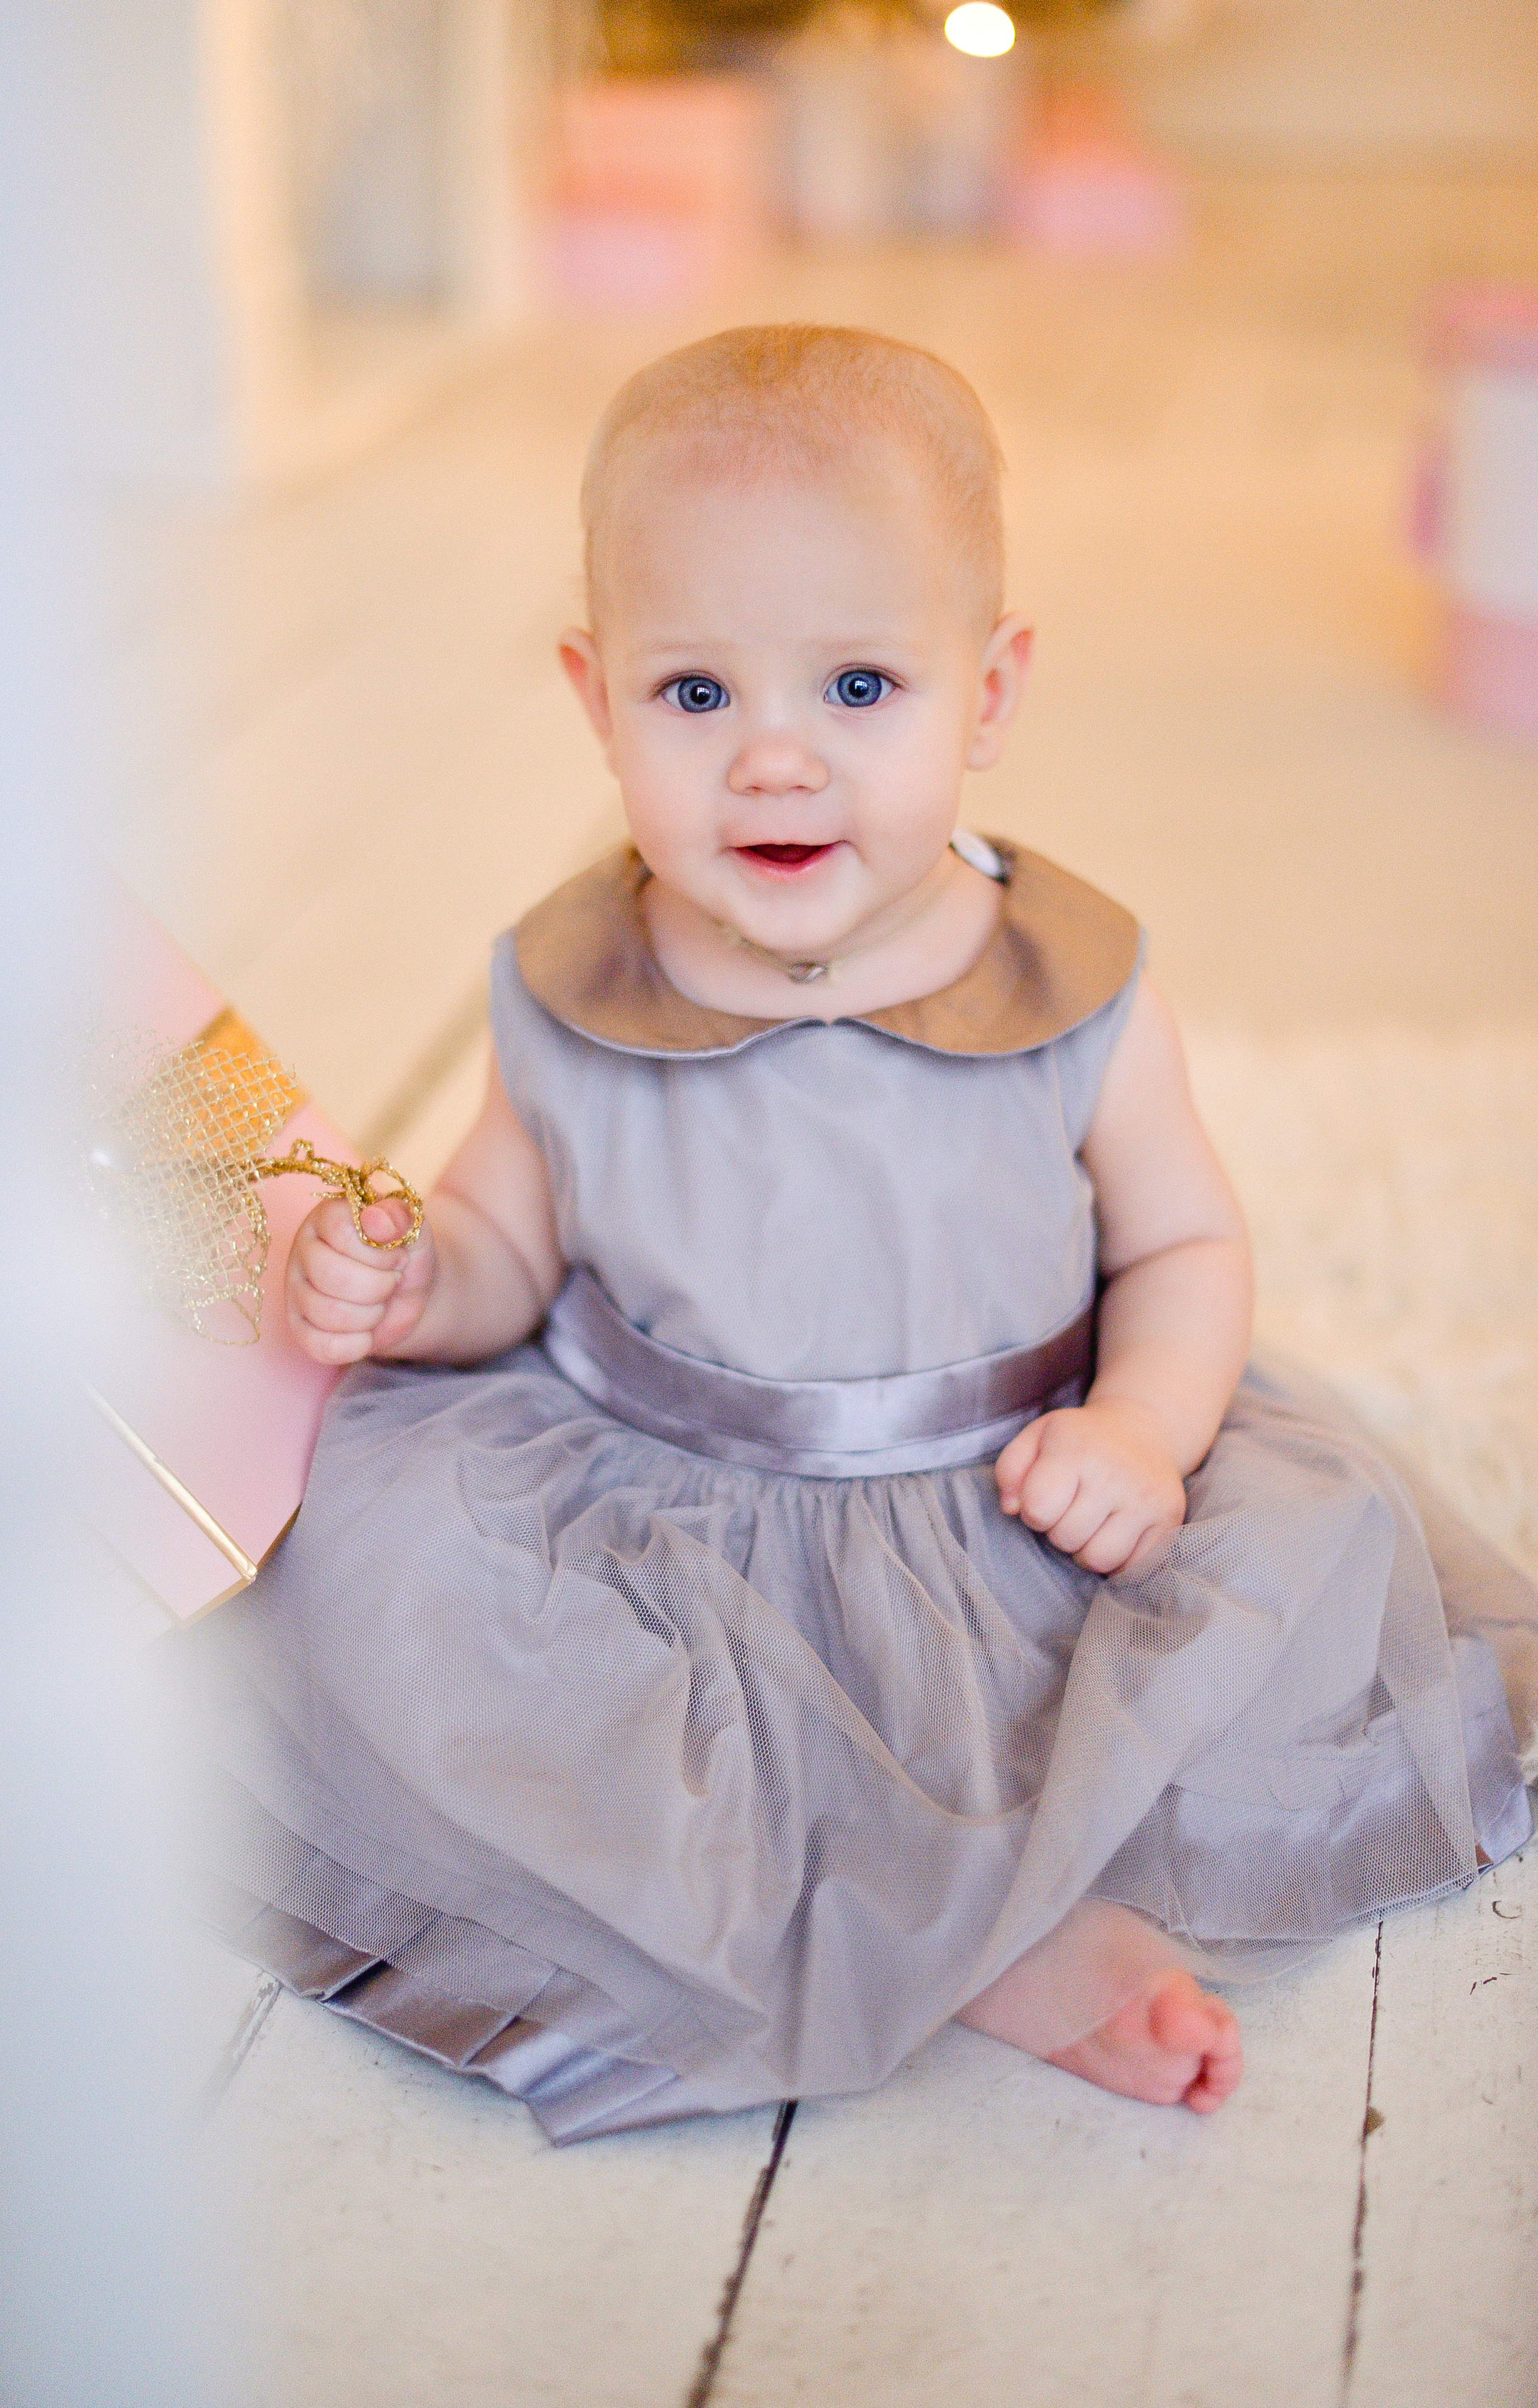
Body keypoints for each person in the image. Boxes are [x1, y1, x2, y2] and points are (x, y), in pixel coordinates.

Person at [194, 325, 1535, 2144]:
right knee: (405, 1592)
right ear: (595, 700)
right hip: (653, 1483)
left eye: (857, 688)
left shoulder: (1078, 988)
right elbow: (507, 1241)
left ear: (989, 694)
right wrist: (417, 1282)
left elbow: (1188, 1252)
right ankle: (963, 1943)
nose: (774, 765)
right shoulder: (568, 981)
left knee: (1207, 1619)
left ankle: (1009, 1920)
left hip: (997, 1493)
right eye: (694, 697)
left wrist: (1141, 1430)